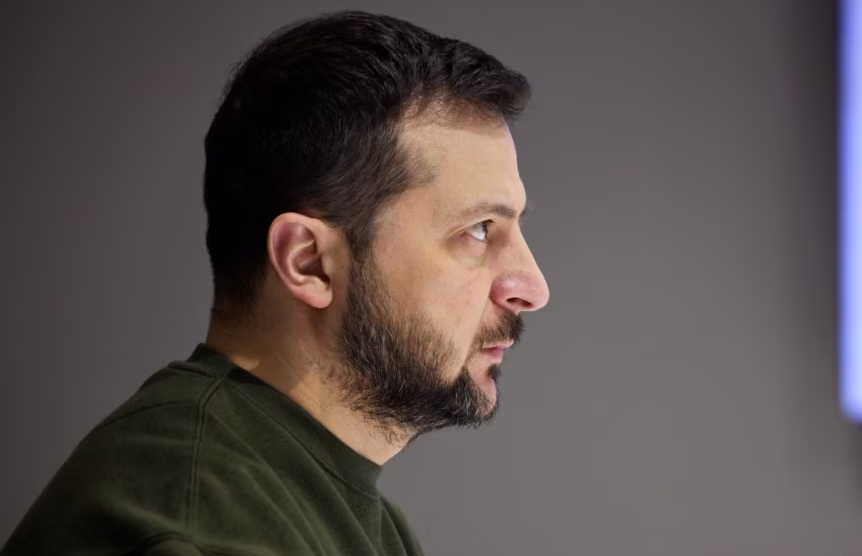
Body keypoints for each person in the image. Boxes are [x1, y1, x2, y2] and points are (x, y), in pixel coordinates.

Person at [1, 10, 549, 556]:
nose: (533, 287)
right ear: (308, 263)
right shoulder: (195, 524)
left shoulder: (364, 518)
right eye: (479, 229)